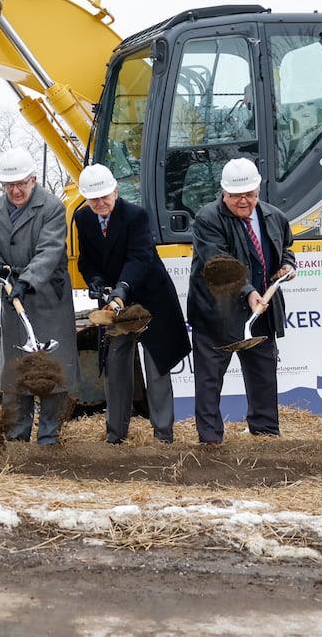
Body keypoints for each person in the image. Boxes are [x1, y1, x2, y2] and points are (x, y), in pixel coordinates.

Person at [74, 164, 190, 444]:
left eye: (105, 196)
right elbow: (86, 259)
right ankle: (116, 436)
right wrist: (96, 281)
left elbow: (139, 258)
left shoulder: (137, 215)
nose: (100, 203)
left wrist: (122, 290)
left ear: (116, 191)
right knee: (115, 366)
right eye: (93, 199)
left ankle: (163, 436)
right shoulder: (82, 218)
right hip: (115, 304)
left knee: (157, 367)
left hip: (151, 298)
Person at [187, 157, 294, 444]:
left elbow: (286, 249)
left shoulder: (275, 216)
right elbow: (220, 263)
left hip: (259, 314)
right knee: (210, 380)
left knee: (263, 375)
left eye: (249, 194)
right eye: (235, 196)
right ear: (224, 193)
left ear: (259, 190)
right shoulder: (207, 219)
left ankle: (265, 431)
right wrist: (248, 292)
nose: (243, 201)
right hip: (216, 313)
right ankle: (210, 440)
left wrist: (286, 266)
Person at [0, 147, 79, 445]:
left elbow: (49, 252)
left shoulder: (51, 208)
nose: (15, 190)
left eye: (21, 184)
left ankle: (49, 437)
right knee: (16, 370)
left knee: (53, 368)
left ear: (33, 179)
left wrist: (27, 280)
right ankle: (15, 436)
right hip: (14, 297)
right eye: (10, 185)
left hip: (49, 297)